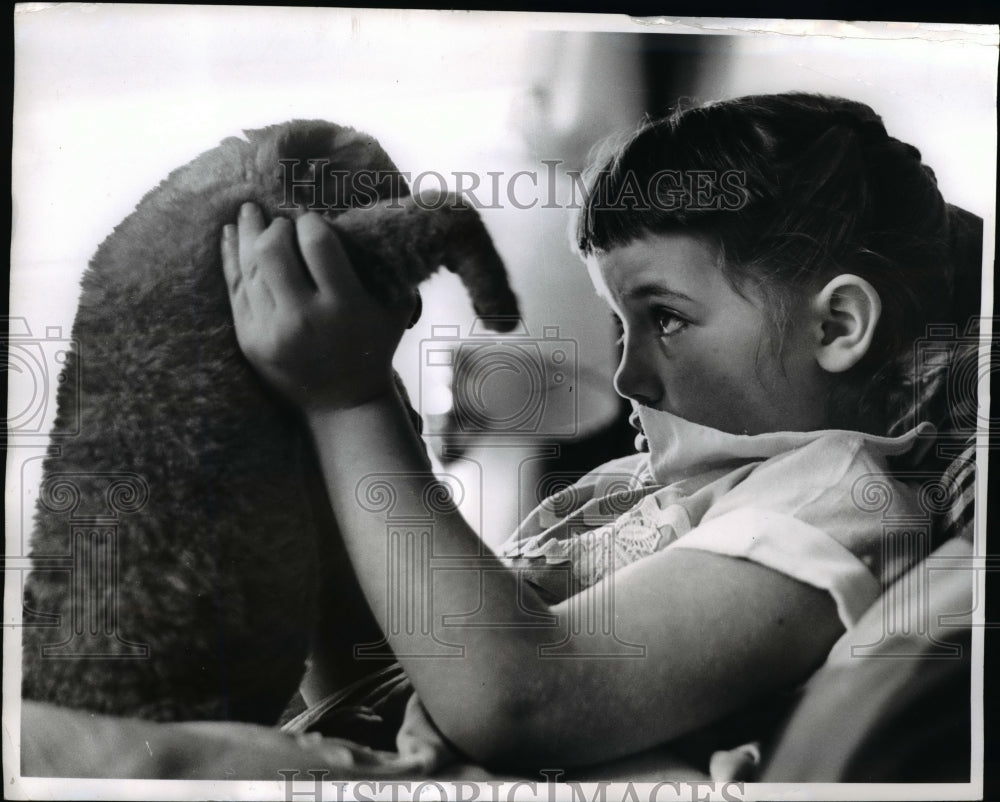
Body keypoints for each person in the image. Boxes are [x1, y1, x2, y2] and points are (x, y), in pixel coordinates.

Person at [219, 92, 960, 771]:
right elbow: (385, 675)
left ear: (835, 326)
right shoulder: (626, 487)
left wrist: (350, 405)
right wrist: (319, 423)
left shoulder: (832, 501)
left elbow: (521, 699)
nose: (626, 376)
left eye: (666, 318)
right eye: (619, 324)